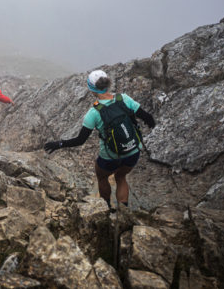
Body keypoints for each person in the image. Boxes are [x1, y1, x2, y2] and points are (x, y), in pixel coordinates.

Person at [43, 70, 156, 210]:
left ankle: (105, 208)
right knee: (121, 177)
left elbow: (80, 140)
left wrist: (59, 144)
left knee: (102, 177)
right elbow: (148, 118)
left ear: (91, 89)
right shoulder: (124, 99)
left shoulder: (93, 113)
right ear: (107, 83)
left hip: (110, 156)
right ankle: (124, 213)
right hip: (133, 151)